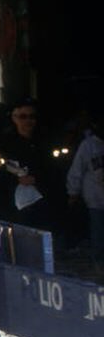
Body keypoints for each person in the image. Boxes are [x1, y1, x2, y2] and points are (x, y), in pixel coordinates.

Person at [0, 98, 61, 230]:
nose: (28, 121)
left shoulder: (45, 141)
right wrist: (16, 180)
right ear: (14, 118)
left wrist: (37, 178)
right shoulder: (3, 143)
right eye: (23, 117)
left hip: (43, 200)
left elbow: (55, 168)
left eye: (32, 117)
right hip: (13, 204)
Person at [66, 113, 104, 272]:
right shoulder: (88, 146)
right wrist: (73, 191)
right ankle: (99, 263)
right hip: (96, 199)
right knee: (98, 232)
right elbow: (77, 169)